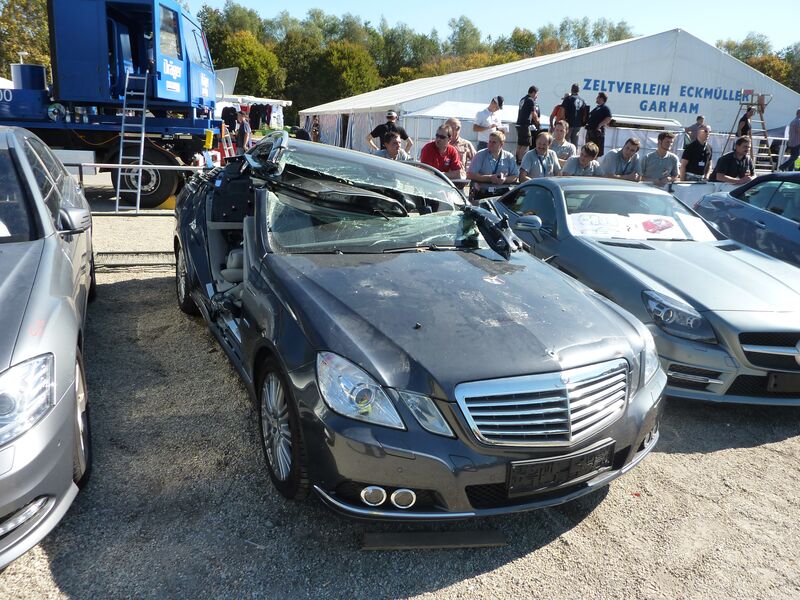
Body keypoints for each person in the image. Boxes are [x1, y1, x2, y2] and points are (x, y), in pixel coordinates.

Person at [467, 130, 518, 201]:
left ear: (501, 144)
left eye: (494, 142)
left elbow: (515, 176)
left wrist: (504, 179)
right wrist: (490, 178)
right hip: (483, 192)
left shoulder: (509, 157)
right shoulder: (480, 155)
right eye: (489, 141)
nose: (490, 144)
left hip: (503, 193)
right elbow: (470, 174)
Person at [515, 86, 540, 163]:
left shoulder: (523, 99)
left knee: (520, 143)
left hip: (519, 124)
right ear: (534, 92)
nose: (537, 96)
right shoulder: (530, 100)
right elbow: (534, 114)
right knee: (526, 143)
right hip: (525, 125)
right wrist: (538, 123)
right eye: (537, 94)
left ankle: (517, 160)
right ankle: (520, 160)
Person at [585, 92, 612, 157]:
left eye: (597, 97)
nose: (596, 98)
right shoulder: (597, 108)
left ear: (601, 98)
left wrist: (600, 125)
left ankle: (593, 161)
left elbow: (609, 118)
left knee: (595, 151)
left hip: (597, 134)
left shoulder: (605, 108)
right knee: (588, 149)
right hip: (591, 132)